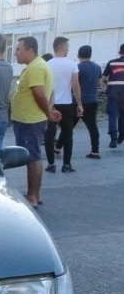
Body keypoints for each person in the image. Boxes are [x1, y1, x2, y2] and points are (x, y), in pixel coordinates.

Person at [11, 37, 61, 209]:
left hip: (30, 121)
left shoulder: (36, 68)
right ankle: (34, 194)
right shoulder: (36, 67)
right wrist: (49, 110)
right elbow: (51, 92)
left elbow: (39, 94)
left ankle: (32, 196)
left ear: (29, 51)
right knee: (32, 156)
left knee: (32, 158)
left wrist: (48, 112)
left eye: (18, 49)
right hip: (29, 119)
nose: (15, 53)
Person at [45, 36, 83, 173]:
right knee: (67, 134)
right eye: (67, 47)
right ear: (62, 47)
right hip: (66, 104)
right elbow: (75, 86)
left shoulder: (47, 64)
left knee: (49, 135)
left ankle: (51, 164)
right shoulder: (72, 64)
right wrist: (79, 104)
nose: (68, 49)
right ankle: (66, 165)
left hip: (50, 104)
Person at [73, 45, 103, 158]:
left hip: (79, 101)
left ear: (78, 54)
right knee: (93, 127)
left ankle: (58, 147)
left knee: (69, 126)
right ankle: (95, 151)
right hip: (93, 100)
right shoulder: (97, 67)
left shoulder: (77, 67)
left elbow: (74, 85)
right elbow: (99, 84)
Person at [102, 43, 124, 148]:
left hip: (113, 91)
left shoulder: (111, 63)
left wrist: (108, 84)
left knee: (113, 115)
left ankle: (113, 139)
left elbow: (104, 78)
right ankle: (122, 135)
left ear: (119, 52)